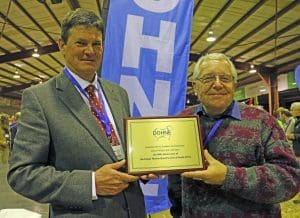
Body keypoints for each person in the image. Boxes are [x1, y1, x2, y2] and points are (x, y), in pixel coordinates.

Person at [7, 9, 155, 218]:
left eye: (96, 44)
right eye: (81, 43)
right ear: (62, 46)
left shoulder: (117, 93)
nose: (90, 51)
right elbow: (22, 174)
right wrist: (91, 183)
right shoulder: (40, 98)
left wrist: (141, 166)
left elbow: (118, 151)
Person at [168, 53, 300, 217]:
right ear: (195, 86)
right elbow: (175, 176)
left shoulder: (263, 122)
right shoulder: (183, 119)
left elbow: (290, 179)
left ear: (234, 85)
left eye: (225, 78)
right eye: (208, 78)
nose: (217, 84)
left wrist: (228, 176)